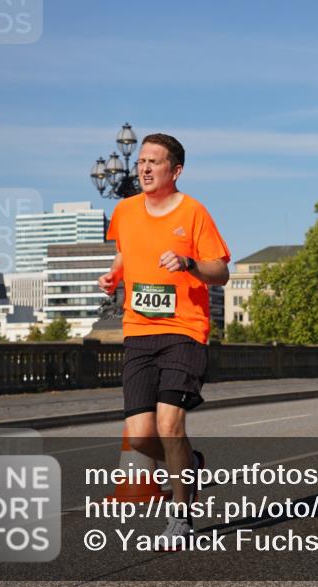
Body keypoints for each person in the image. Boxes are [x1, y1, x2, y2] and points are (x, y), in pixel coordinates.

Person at [98, 133, 230, 545]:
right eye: (141, 161)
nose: (144, 168)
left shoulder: (193, 213)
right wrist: (112, 276)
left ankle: (180, 515)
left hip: (184, 330)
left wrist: (189, 263)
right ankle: (191, 463)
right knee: (139, 436)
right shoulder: (124, 210)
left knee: (170, 424)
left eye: (155, 162)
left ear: (176, 170)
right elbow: (125, 254)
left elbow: (220, 272)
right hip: (138, 330)